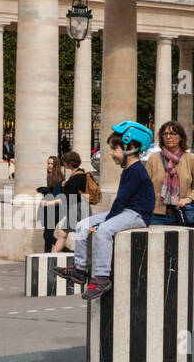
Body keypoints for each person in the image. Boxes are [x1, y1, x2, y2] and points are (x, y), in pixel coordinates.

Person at [55, 121, 156, 300]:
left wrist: (104, 222)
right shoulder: (128, 170)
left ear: (131, 147)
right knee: (82, 225)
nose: (110, 153)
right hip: (126, 211)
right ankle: (80, 269)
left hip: (138, 214)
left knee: (103, 231)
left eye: (114, 148)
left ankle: (102, 278)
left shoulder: (136, 171)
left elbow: (121, 201)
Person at [143, 121, 194, 227]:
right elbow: (145, 186)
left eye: (173, 134)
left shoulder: (192, 159)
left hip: (183, 214)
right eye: (165, 134)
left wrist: (188, 199)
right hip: (156, 215)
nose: (168, 137)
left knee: (183, 244)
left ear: (181, 137)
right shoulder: (153, 158)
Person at [50, 151, 93, 252]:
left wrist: (51, 202)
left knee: (82, 234)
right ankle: (53, 256)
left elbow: (69, 196)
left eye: (64, 162)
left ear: (69, 163)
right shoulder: (77, 175)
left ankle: (84, 260)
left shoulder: (77, 177)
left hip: (79, 208)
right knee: (63, 233)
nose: (63, 164)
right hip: (77, 207)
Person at [37, 156, 64, 252]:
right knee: (47, 235)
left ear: (56, 165)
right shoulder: (51, 176)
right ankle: (48, 254)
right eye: (48, 163)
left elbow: (60, 197)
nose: (49, 166)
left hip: (55, 209)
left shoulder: (57, 178)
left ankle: (65, 251)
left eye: (52, 164)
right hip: (51, 209)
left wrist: (48, 201)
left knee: (47, 235)